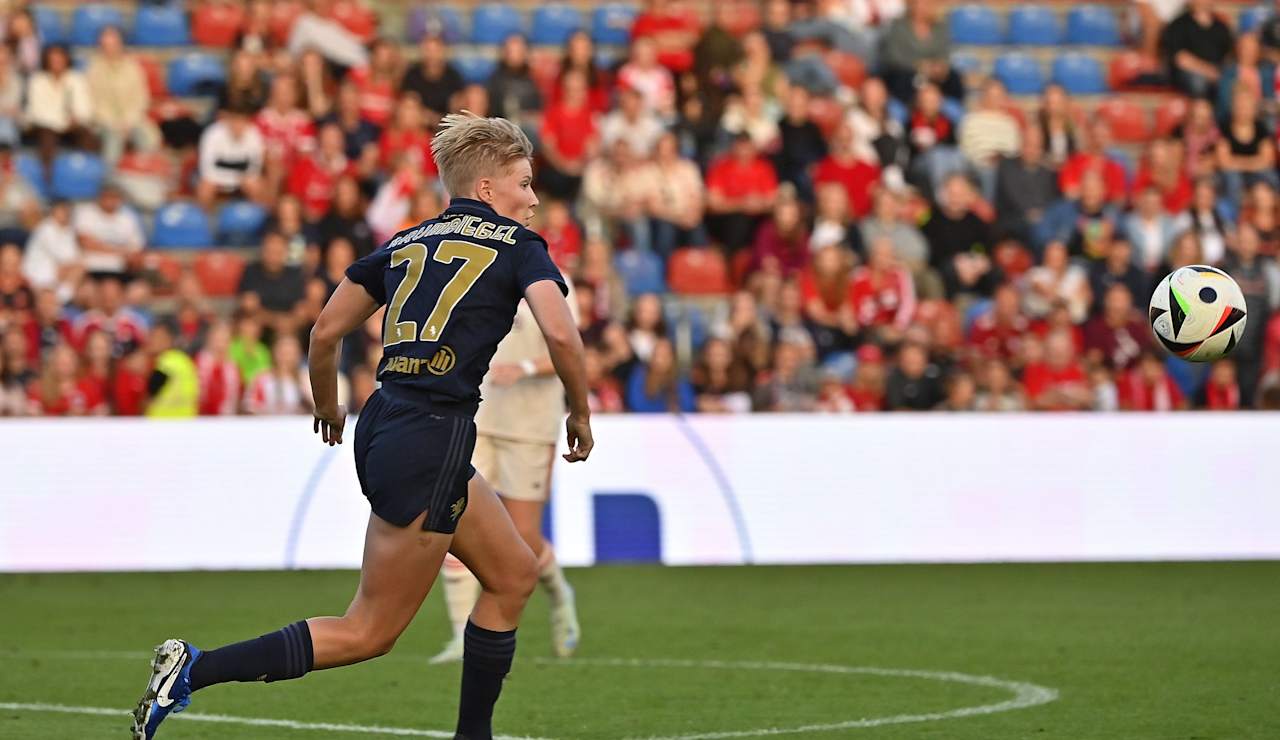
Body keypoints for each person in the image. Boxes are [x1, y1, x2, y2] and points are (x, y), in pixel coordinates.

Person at [132, 112, 593, 740]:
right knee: (368, 631)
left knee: (512, 576)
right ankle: (193, 669)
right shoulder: (518, 247)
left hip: (388, 419)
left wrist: (327, 405)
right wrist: (581, 411)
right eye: (523, 182)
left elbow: (324, 331)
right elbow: (562, 331)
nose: (534, 199)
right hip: (432, 434)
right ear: (486, 189)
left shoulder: (406, 242)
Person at [430, 280, 582, 663]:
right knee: (454, 522)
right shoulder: (475, 270)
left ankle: (560, 594)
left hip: (529, 425)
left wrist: (525, 367)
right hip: (474, 419)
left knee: (523, 538)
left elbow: (569, 348)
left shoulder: (552, 282)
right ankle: (461, 635)